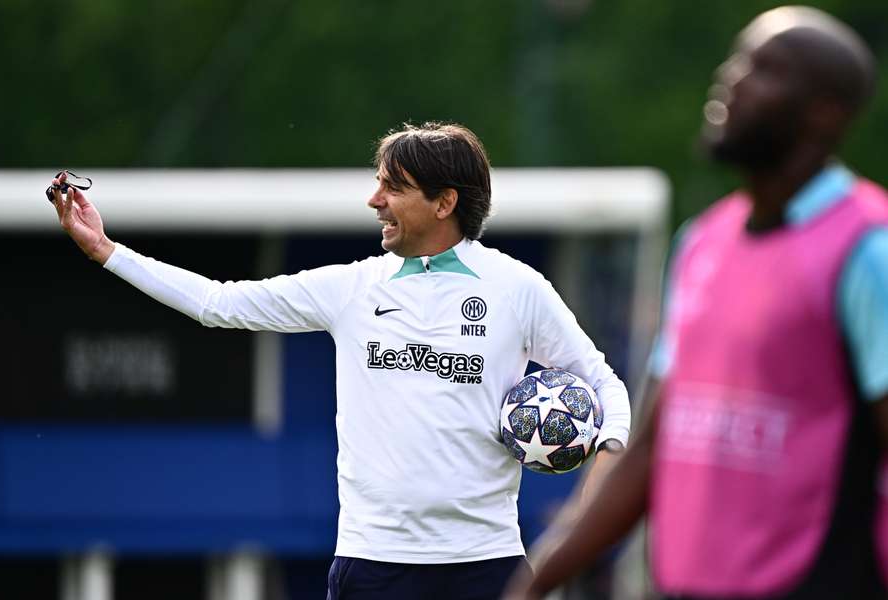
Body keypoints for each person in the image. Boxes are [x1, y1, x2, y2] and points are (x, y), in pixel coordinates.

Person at [49, 122, 631, 600]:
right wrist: (108, 251)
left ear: (444, 201)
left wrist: (606, 461)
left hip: (487, 565)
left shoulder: (517, 288)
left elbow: (603, 383)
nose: (374, 200)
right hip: (372, 566)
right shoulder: (351, 288)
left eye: (392, 188)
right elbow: (218, 303)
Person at [504, 6, 888, 600]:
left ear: (826, 112)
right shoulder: (702, 243)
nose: (731, 77)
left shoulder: (868, 248)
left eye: (766, 68)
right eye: (737, 59)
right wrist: (535, 579)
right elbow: (653, 448)